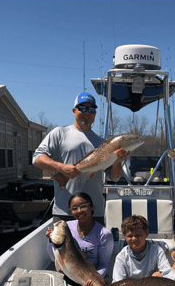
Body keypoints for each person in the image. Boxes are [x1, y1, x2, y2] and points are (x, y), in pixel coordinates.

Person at [33, 92, 129, 224]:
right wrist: (61, 167)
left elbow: (115, 177)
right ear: (74, 110)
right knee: (64, 245)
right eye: (82, 108)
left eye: (91, 109)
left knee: (93, 246)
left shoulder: (103, 143)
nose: (87, 112)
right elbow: (37, 158)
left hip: (94, 211)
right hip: (65, 211)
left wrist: (118, 162)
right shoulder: (59, 133)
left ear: (95, 113)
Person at [46, 192, 114, 286]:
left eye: (83, 206)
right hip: (68, 277)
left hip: (91, 280)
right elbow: (54, 258)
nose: (79, 211)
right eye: (74, 208)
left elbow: (104, 265)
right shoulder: (67, 227)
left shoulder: (104, 234)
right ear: (70, 211)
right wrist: (50, 241)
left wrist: (92, 282)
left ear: (91, 207)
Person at [112, 215, 175, 286]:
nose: (134, 238)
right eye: (130, 236)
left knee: (157, 275)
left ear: (146, 233)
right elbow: (118, 282)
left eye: (138, 235)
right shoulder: (121, 256)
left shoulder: (156, 250)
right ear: (125, 237)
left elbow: (167, 272)